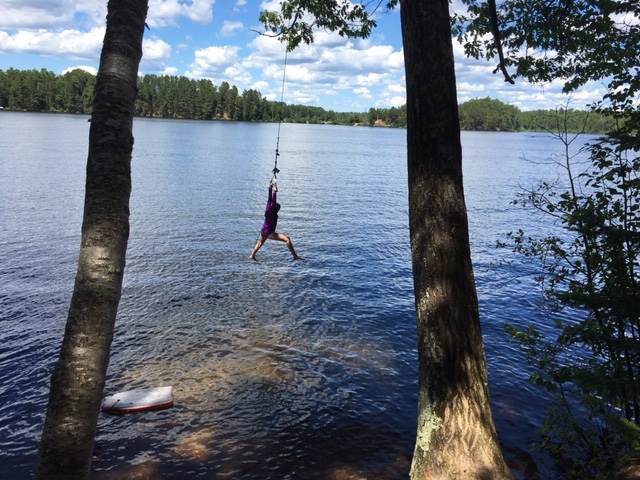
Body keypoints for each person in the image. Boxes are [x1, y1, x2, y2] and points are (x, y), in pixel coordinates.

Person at [249, 181, 302, 261]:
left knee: (260, 243)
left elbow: (269, 200)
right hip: (270, 233)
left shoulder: (268, 209)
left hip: (263, 230)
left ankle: (252, 255)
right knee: (287, 239)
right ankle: (295, 256)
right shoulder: (273, 213)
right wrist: (275, 192)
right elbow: (273, 202)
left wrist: (270, 188)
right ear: (277, 210)